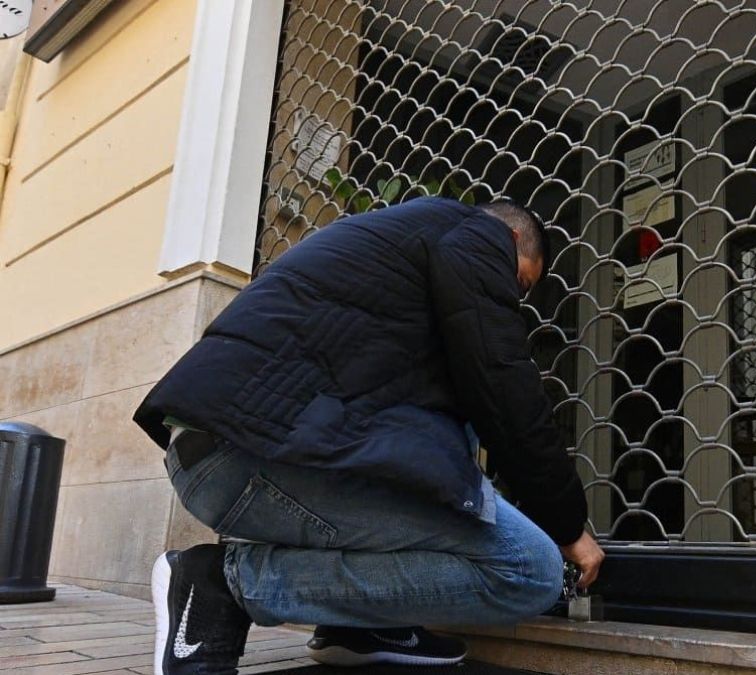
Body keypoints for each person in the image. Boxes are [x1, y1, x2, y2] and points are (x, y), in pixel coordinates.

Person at [133, 196, 605, 674]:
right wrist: (567, 527)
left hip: (221, 452)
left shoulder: (403, 255)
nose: (513, 296)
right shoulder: (478, 237)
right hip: (246, 455)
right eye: (519, 281)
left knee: (453, 480)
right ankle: (221, 586)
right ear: (511, 240)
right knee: (528, 567)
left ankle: (357, 627)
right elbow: (503, 388)